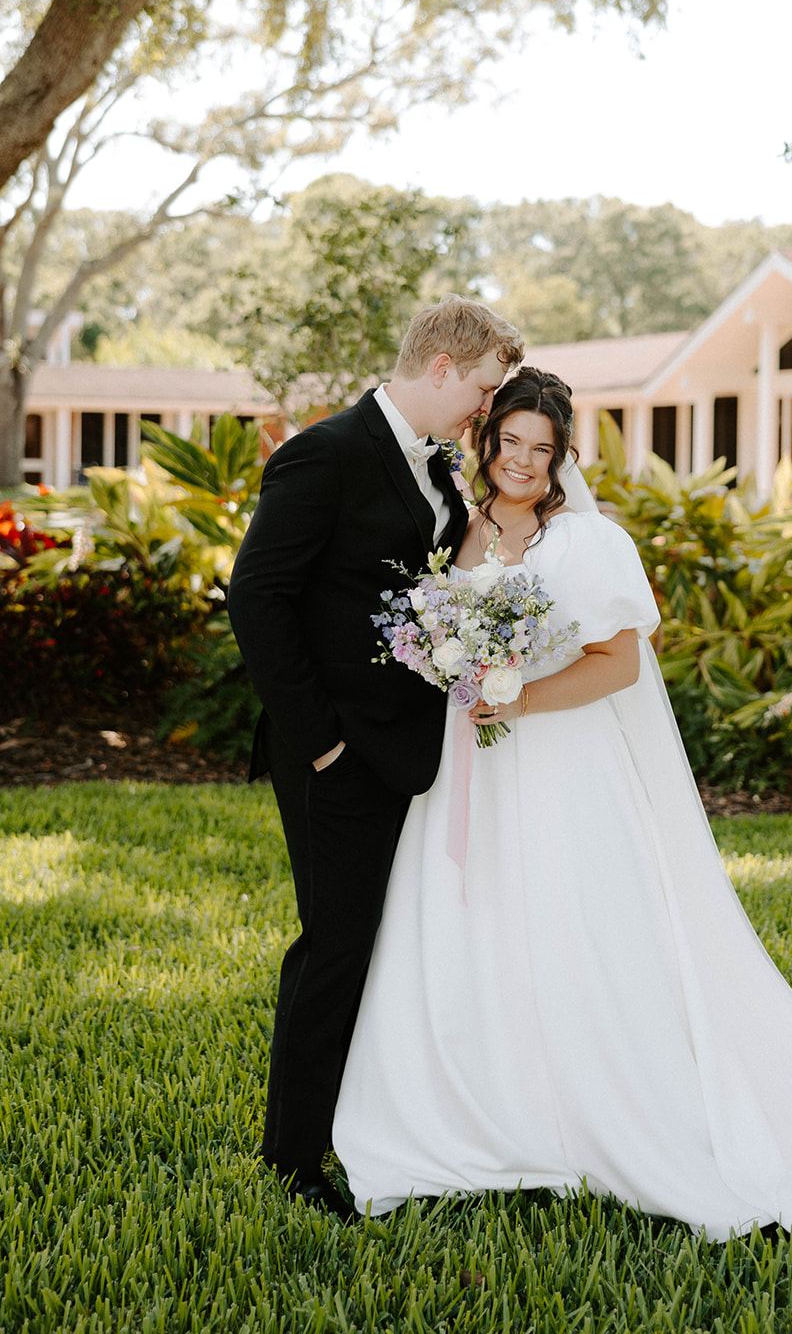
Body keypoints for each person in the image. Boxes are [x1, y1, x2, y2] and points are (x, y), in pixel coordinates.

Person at [332, 367, 792, 1327]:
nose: (520, 461)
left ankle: (604, 1107)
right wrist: (456, 675)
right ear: (488, 443)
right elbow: (441, 635)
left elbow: (619, 662)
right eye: (508, 442)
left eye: (539, 449)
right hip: (476, 770)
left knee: (573, 925)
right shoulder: (461, 534)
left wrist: (511, 695)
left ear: (559, 458)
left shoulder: (586, 540)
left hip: (561, 768)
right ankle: (491, 1109)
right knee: (478, 927)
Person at [227, 297, 524, 1218]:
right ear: (439, 365)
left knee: (387, 946)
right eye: (480, 390)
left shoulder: (432, 464)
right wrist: (320, 743)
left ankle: (383, 1123)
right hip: (335, 756)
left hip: (406, 750)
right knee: (336, 947)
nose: (482, 411)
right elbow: (256, 598)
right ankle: (292, 1157)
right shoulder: (325, 451)